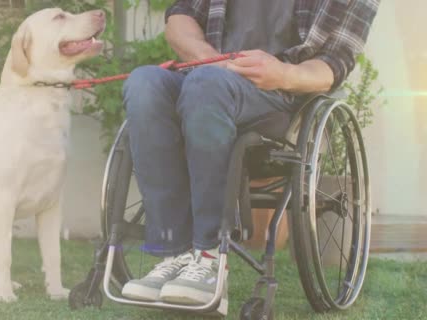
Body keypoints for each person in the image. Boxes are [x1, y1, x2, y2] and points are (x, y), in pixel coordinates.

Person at [120, 0, 380, 307]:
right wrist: (211, 60)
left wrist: (283, 73)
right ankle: (173, 252)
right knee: (144, 83)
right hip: (207, 82)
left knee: (206, 85)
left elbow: (333, 65)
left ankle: (209, 255)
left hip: (280, 98)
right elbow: (180, 19)